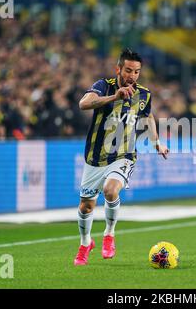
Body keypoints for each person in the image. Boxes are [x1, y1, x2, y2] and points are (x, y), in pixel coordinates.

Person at [74, 49, 169, 266]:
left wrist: (157, 143)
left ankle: (109, 234)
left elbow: (149, 116)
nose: (132, 76)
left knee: (110, 190)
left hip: (124, 155)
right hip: (95, 157)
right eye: (128, 70)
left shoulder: (144, 94)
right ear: (118, 69)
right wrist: (114, 97)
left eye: (136, 72)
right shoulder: (103, 86)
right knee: (85, 207)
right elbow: (83, 104)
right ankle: (85, 243)